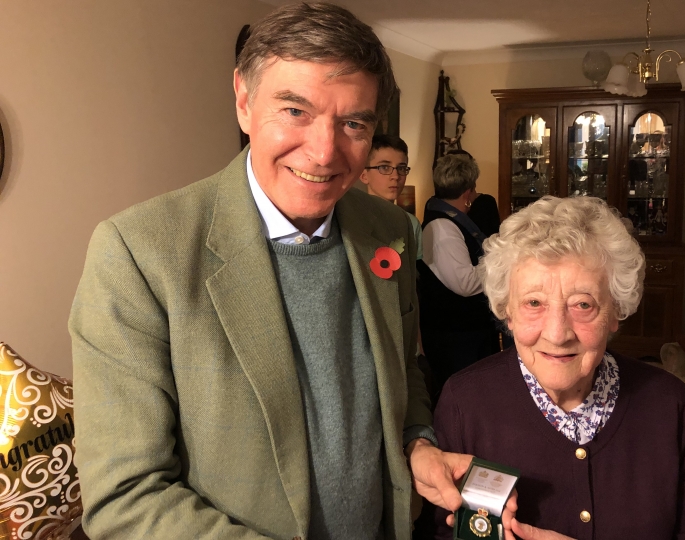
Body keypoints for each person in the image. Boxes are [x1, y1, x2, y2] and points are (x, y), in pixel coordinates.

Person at [69, 4, 471, 539]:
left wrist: (417, 441)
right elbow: (125, 498)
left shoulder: (389, 227)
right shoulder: (138, 254)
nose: (325, 152)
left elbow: (405, 371)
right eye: (295, 111)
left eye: (353, 123)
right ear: (243, 100)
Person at [417, 196, 685, 539]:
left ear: (615, 311)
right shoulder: (465, 403)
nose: (558, 334)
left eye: (582, 304)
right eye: (534, 303)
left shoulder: (669, 404)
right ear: (507, 311)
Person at [418, 154, 500, 397]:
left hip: (464, 333)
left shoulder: (448, 219)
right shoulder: (442, 227)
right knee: (465, 397)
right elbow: (465, 284)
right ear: (468, 192)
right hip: (455, 336)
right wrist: (500, 262)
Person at [360, 134, 423, 260]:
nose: (395, 176)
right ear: (364, 174)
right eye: (384, 167)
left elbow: (415, 272)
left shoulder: (411, 223)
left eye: (401, 168)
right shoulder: (354, 219)